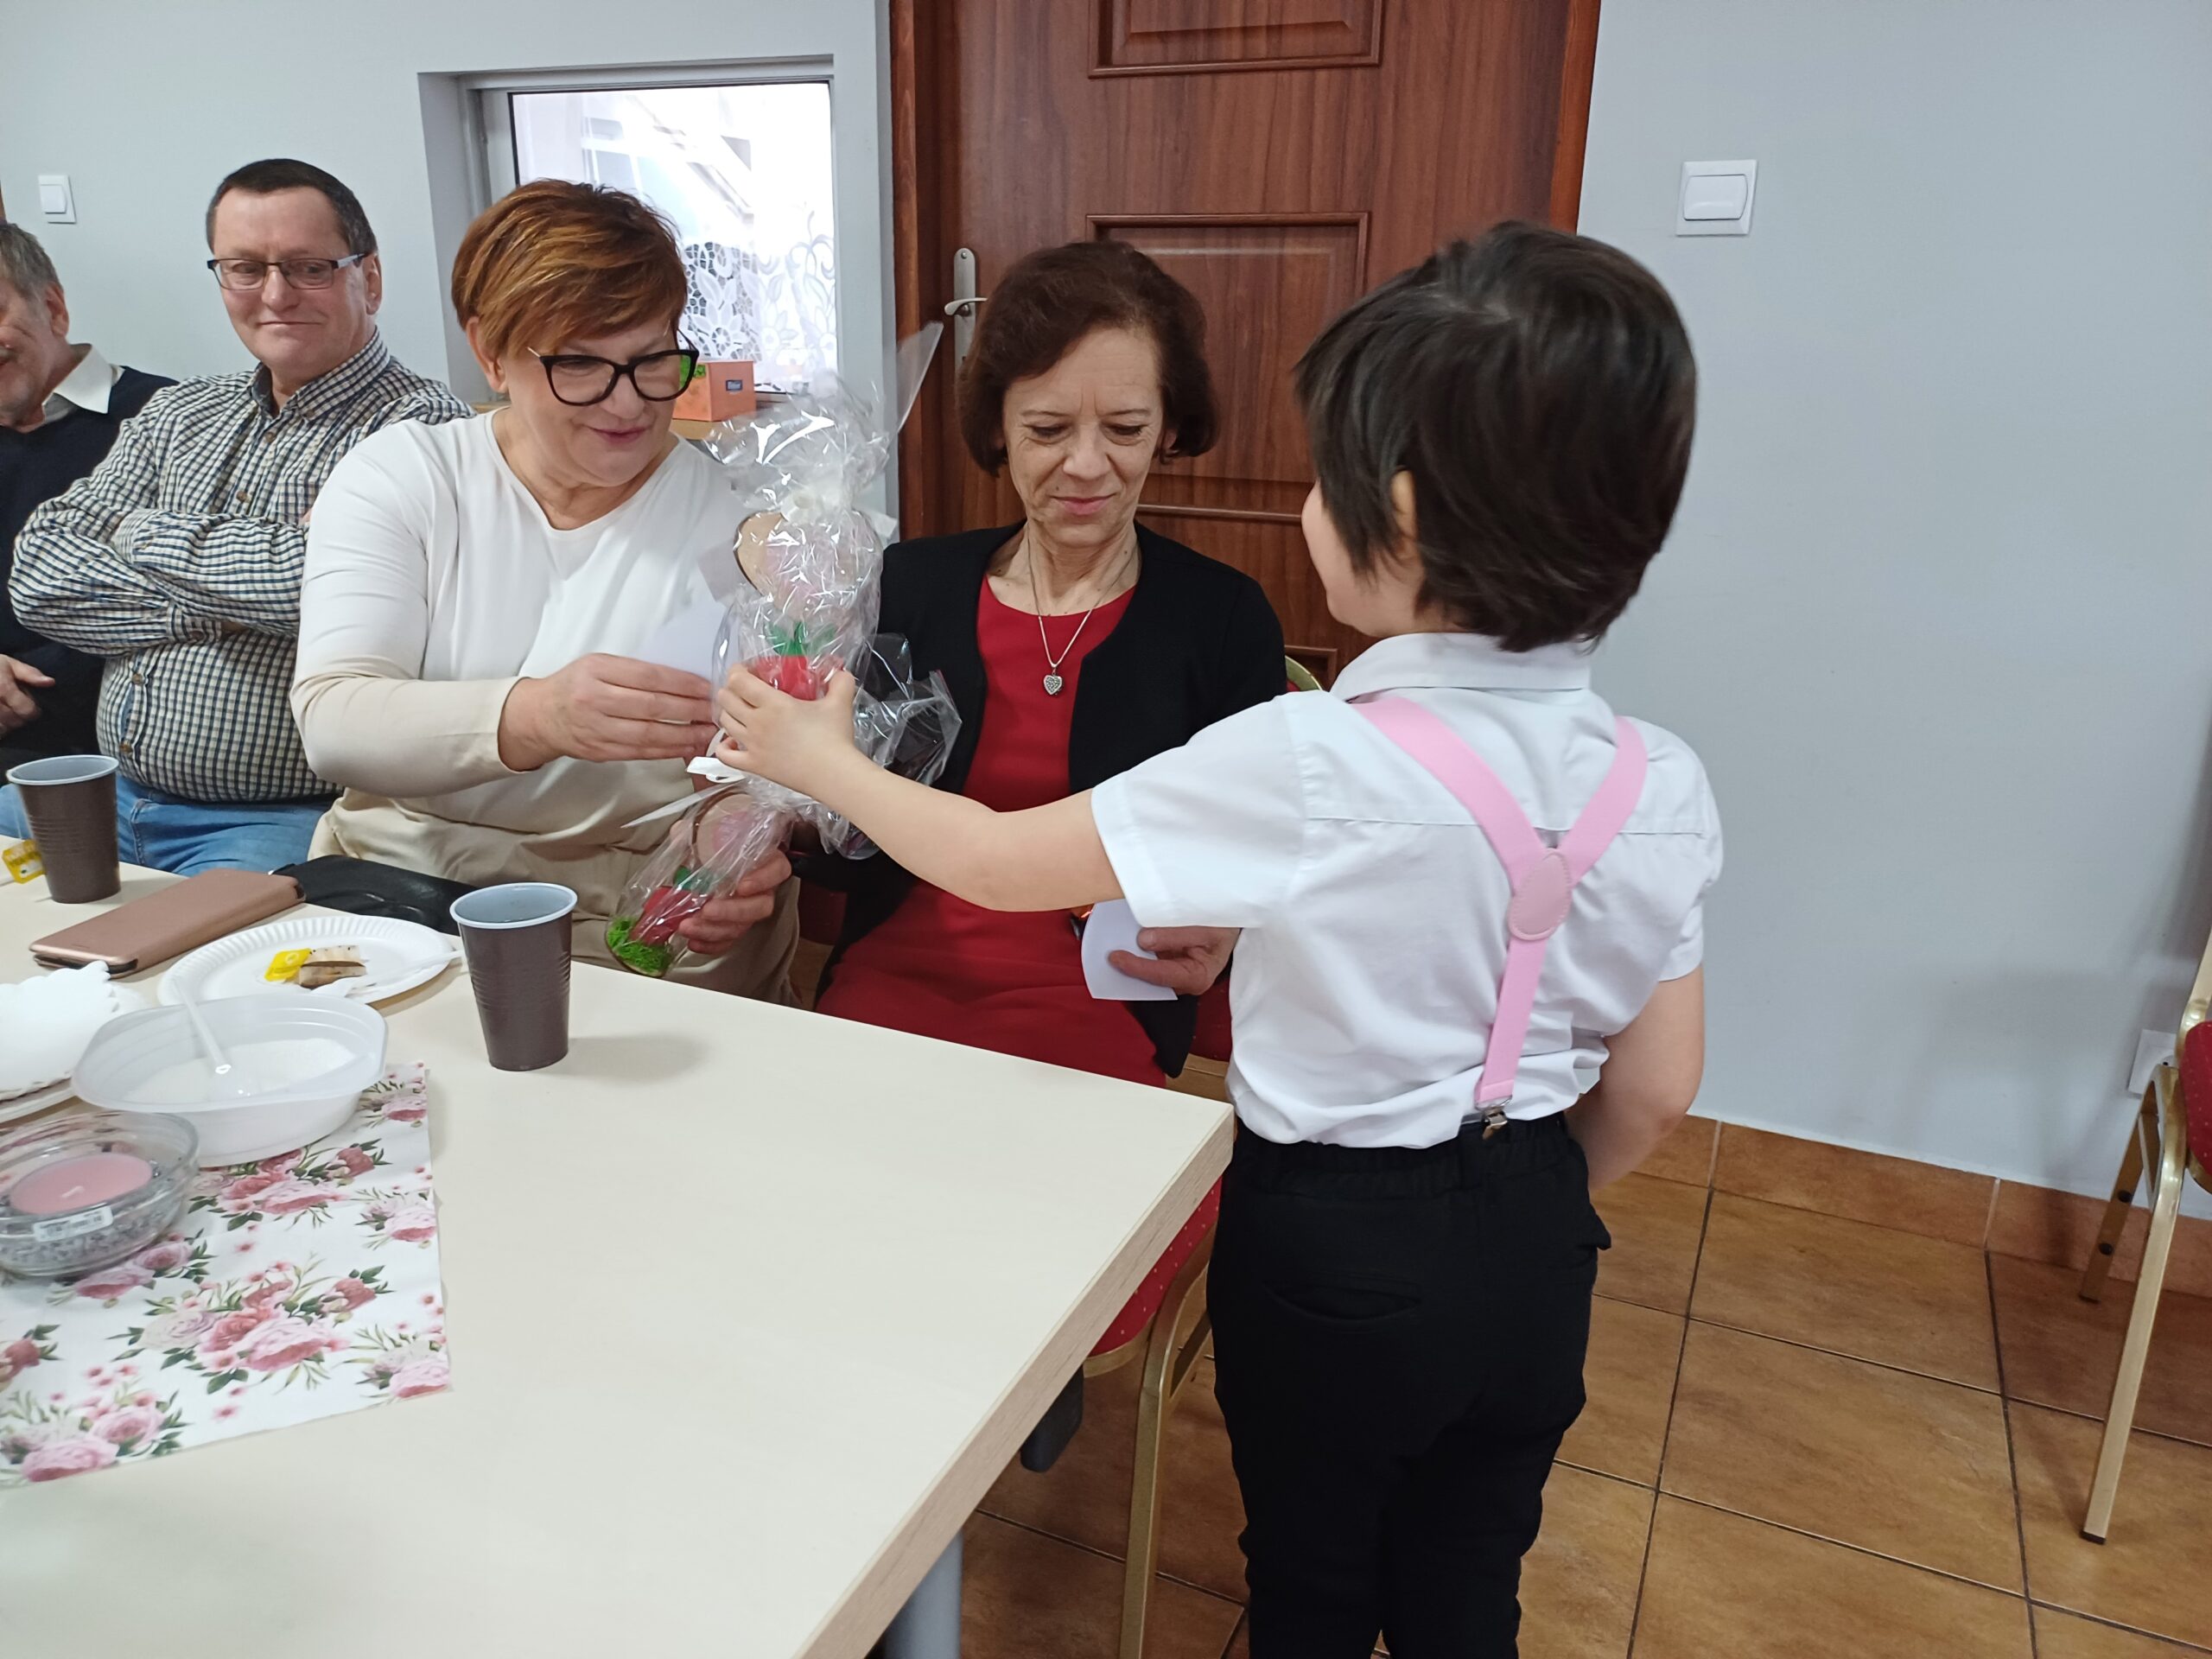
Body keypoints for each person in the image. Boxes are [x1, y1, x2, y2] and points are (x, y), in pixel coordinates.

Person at [713, 223, 1721, 1658]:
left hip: (1328, 1244)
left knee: (1309, 1586)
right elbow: (1660, 1087)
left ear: (1400, 514)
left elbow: (996, 860)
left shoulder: (1308, 753)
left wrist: (818, 761)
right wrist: (1513, 1203)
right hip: (1538, 1237)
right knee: (1466, 1586)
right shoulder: (1661, 777)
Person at [781, 239, 1284, 1095]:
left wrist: (1226, 929)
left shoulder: (1222, 617)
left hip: (1104, 993)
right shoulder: (911, 585)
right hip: (894, 970)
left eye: (1125, 429)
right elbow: (845, 838)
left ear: (1169, 429)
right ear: (999, 431)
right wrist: (771, 811)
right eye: (1048, 430)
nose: (1086, 465)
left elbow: (1250, 841)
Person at [291, 180, 793, 999]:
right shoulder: (408, 477)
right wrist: (539, 715)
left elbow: (758, 762)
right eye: (581, 364)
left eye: (652, 359)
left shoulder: (739, 522)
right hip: (403, 893)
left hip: (628, 915)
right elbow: (336, 720)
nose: (627, 401)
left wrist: (732, 834)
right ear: (491, 352)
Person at [3, 160, 467, 873]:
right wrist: (226, 605)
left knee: (207, 949)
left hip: (285, 818)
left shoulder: (423, 427)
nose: (275, 295)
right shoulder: (180, 410)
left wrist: (137, 530)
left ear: (368, 278)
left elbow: (308, 584)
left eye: (309, 268)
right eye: (245, 269)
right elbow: (38, 573)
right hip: (108, 793)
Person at [0, 224, 173, 772]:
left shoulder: (171, 419)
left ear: (53, 308)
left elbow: (188, 599)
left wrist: (27, 689)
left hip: (124, 750)